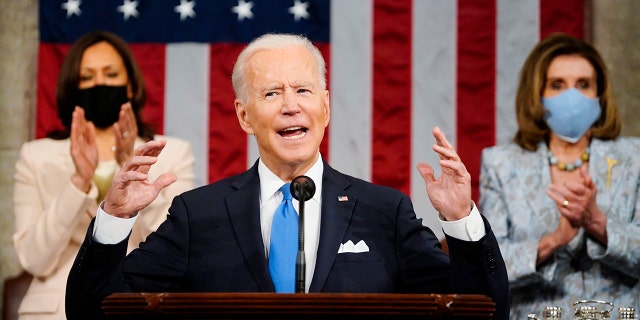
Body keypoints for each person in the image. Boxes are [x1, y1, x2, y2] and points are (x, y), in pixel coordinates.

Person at [65, 33, 509, 320]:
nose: (290, 105)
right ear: (244, 116)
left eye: (303, 90)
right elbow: (94, 313)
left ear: (326, 107)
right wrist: (113, 220)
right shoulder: (198, 215)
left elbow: (482, 311)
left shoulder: (383, 212)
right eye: (271, 93)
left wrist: (462, 222)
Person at [12, 30, 195, 320]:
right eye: (87, 77)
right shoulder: (36, 156)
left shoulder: (173, 152)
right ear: (73, 88)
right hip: (54, 311)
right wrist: (78, 182)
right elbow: (34, 260)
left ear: (131, 86)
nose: (100, 84)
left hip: (141, 305)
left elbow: (180, 252)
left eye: (110, 74)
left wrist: (132, 169)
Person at [480, 33, 640, 319]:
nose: (572, 96)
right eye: (557, 85)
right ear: (537, 94)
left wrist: (599, 225)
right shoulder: (501, 163)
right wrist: (553, 240)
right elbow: (487, 266)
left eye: (583, 84)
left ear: (599, 94)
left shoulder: (634, 158)